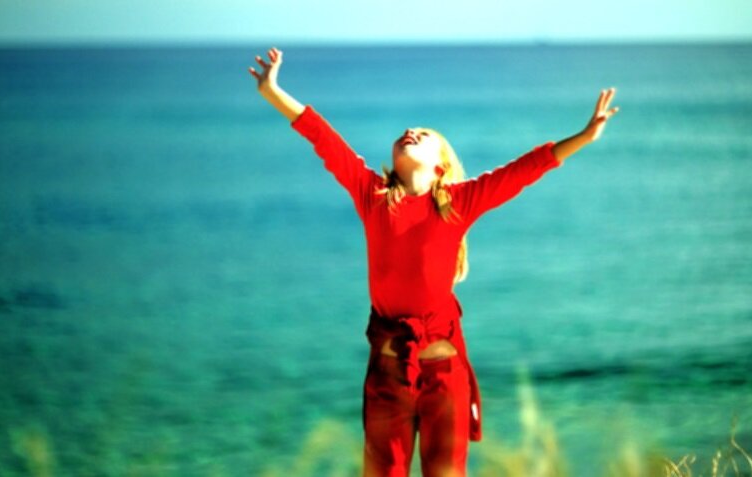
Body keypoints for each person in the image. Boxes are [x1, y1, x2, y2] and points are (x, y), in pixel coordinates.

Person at [248, 47, 619, 477]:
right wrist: (272, 92)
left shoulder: (459, 202)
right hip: (388, 373)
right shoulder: (372, 197)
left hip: (444, 375)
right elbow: (323, 138)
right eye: (407, 131)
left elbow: (524, 169)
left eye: (423, 134)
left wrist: (584, 136)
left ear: (442, 167)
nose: (410, 131)